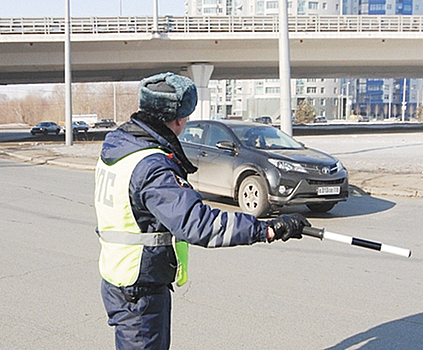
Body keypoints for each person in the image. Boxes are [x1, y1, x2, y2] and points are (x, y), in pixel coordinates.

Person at [94, 72, 310, 350]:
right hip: (139, 287)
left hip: (118, 276)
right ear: (179, 120)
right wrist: (267, 228)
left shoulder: (120, 148)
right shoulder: (151, 165)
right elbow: (199, 224)